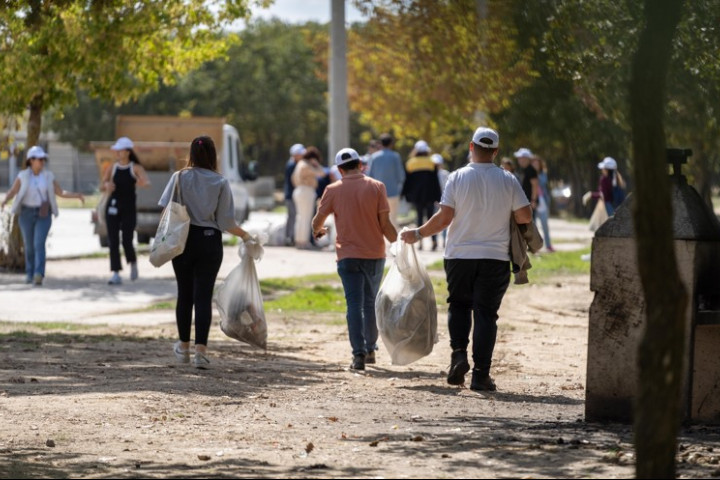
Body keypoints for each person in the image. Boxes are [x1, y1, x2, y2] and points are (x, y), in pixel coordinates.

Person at [400, 127, 532, 391]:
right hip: (495, 257)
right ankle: (481, 375)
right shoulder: (508, 180)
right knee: (486, 314)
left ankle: (458, 355)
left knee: (458, 305)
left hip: (459, 255)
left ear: (471, 147)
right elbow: (525, 216)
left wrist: (418, 233)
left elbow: (444, 218)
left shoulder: (457, 177)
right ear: (495, 151)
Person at [158, 136, 259, 369]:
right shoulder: (220, 182)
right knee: (203, 297)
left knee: (184, 294)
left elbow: (166, 209)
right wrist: (246, 236)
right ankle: (201, 352)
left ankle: (183, 347)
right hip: (209, 242)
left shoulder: (178, 177)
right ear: (214, 155)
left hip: (182, 241)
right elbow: (226, 222)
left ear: (191, 154)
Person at [312, 147, 398, 371]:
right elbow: (385, 225)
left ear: (340, 169)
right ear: (361, 164)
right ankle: (370, 349)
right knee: (371, 303)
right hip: (374, 254)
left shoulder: (333, 189)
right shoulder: (377, 187)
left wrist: (318, 231)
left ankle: (358, 355)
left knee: (354, 305)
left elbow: (317, 221)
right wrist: (400, 242)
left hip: (347, 256)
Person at [1, 145, 84, 285]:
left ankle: (38, 274)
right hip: (26, 213)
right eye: (39, 159)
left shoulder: (48, 176)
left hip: (43, 214)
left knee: (39, 243)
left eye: (43, 159)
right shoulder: (23, 176)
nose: (42, 161)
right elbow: (13, 191)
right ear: (31, 160)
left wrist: (76, 195)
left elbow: (60, 192)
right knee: (29, 245)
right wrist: (4, 200)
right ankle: (30, 273)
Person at [101, 137, 150, 285]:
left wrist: (142, 182)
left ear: (127, 152)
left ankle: (133, 262)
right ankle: (115, 273)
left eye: (119, 150)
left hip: (128, 208)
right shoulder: (113, 167)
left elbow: (147, 182)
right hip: (113, 207)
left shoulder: (135, 167)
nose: (116, 152)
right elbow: (102, 184)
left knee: (127, 239)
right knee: (113, 239)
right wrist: (106, 186)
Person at [402, 140, 442, 251]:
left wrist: (405, 194)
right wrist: (438, 197)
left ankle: (419, 243)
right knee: (431, 218)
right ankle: (434, 241)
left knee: (419, 218)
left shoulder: (411, 163)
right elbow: (435, 181)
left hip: (417, 196)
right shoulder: (432, 162)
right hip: (430, 195)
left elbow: (407, 182)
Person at [367, 133, 405, 229]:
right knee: (393, 219)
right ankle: (394, 242)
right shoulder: (395, 156)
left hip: (378, 194)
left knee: (378, 220)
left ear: (380, 143)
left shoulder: (374, 157)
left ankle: (381, 243)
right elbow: (401, 176)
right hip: (393, 192)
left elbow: (369, 176)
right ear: (391, 144)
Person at [291, 146, 326, 249]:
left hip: (298, 190)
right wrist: (316, 164)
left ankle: (299, 240)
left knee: (300, 217)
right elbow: (322, 173)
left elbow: (292, 178)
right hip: (306, 190)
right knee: (306, 218)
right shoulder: (306, 165)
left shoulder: (299, 164)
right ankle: (304, 242)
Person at [284, 143, 306, 246]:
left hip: (292, 194)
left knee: (293, 216)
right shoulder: (292, 165)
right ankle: (289, 238)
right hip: (291, 195)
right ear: (295, 155)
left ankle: (291, 237)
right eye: (300, 154)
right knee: (292, 216)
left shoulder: (294, 163)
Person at [531, 156, 555, 252]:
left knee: (545, 225)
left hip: (542, 201)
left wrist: (535, 174)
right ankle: (535, 247)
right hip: (532, 202)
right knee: (534, 226)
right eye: (534, 163)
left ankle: (548, 245)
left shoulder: (542, 174)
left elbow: (541, 183)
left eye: (537, 163)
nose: (535, 165)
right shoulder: (528, 173)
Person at [513, 148, 539, 212]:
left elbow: (535, 185)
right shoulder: (523, 169)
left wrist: (533, 200)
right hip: (524, 202)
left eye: (520, 158)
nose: (519, 160)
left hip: (529, 202)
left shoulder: (531, 170)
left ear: (526, 158)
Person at [432, 153, 450, 248]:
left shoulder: (445, 174)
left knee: (444, 222)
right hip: (435, 201)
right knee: (433, 222)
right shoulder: (431, 174)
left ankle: (444, 241)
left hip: (444, 201)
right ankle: (435, 242)